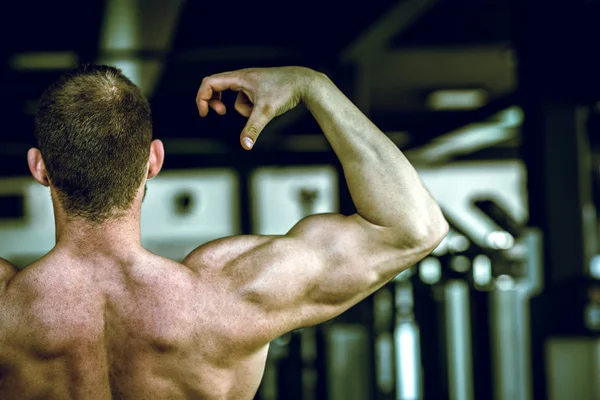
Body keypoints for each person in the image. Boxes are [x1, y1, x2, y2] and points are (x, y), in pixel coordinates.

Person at [0, 65, 448, 399]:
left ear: (39, 167)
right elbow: (413, 228)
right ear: (153, 160)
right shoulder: (227, 297)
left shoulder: (8, 311)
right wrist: (314, 86)